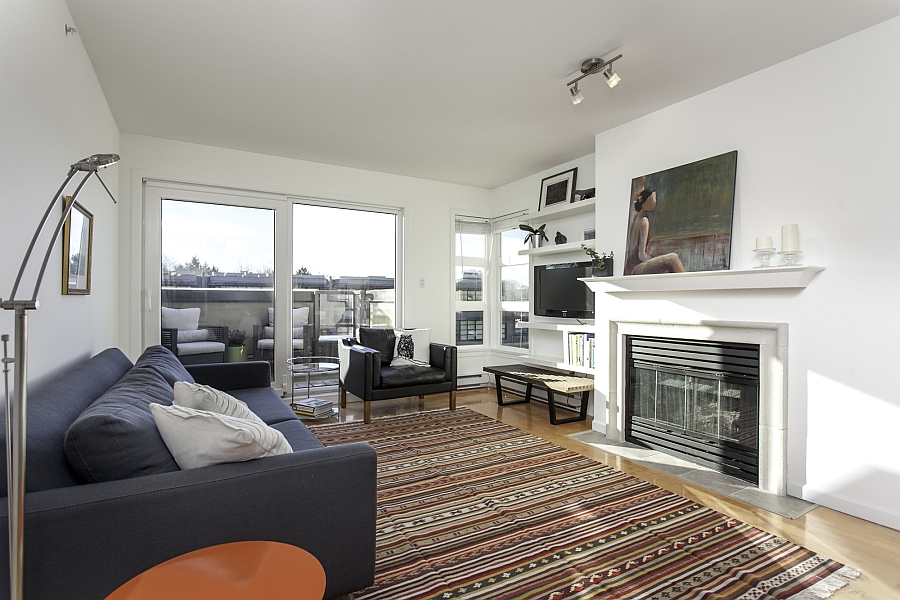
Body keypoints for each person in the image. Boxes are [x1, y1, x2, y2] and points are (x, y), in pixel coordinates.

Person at [624, 189, 686, 275]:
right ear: (644, 201)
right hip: (635, 269)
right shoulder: (643, 221)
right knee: (673, 258)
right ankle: (689, 283)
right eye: (652, 199)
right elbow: (641, 255)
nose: (654, 201)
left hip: (631, 267)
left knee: (671, 258)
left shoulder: (637, 219)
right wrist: (654, 261)